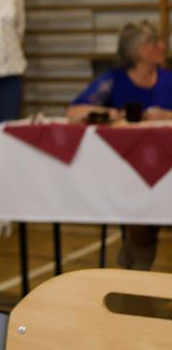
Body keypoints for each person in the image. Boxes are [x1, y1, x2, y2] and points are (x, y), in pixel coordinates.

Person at [67, 20, 171, 271]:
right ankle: (140, 255)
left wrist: (167, 116)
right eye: (154, 42)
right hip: (123, 165)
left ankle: (136, 252)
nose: (162, 46)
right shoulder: (113, 80)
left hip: (165, 163)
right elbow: (74, 111)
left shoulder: (168, 79)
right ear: (137, 51)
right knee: (137, 191)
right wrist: (115, 114)